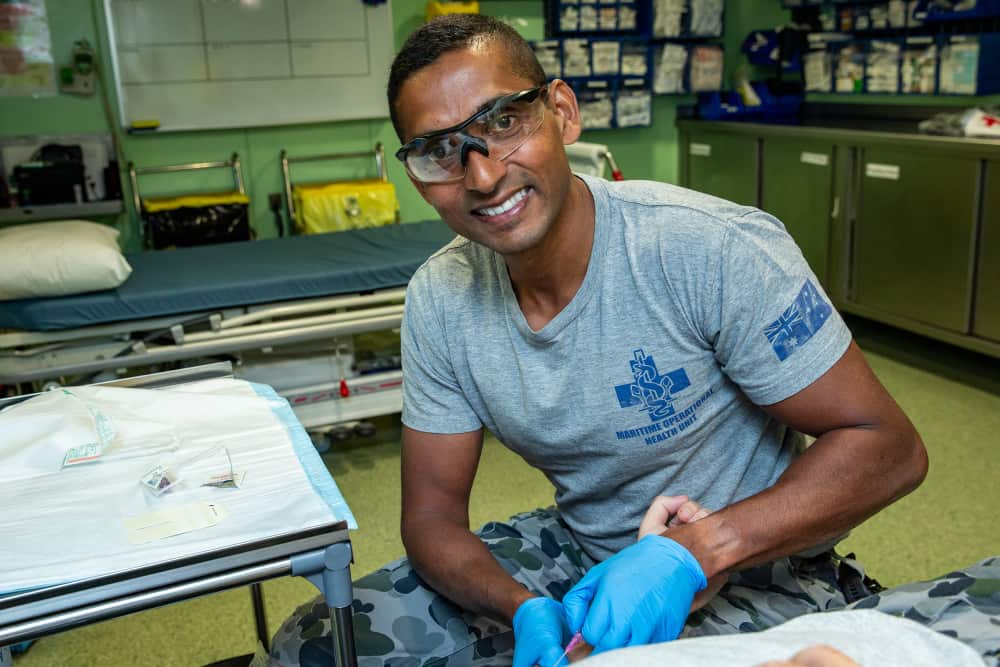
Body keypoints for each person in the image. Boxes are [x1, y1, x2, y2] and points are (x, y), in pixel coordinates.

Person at [269, 13, 929, 667]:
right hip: (581, 551)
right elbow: (432, 517)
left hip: (759, 570)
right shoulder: (442, 300)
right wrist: (521, 605)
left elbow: (891, 447)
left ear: (562, 111)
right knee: (318, 643)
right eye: (440, 150)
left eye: (503, 122)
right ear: (416, 174)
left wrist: (694, 551)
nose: (482, 176)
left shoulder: (704, 249)